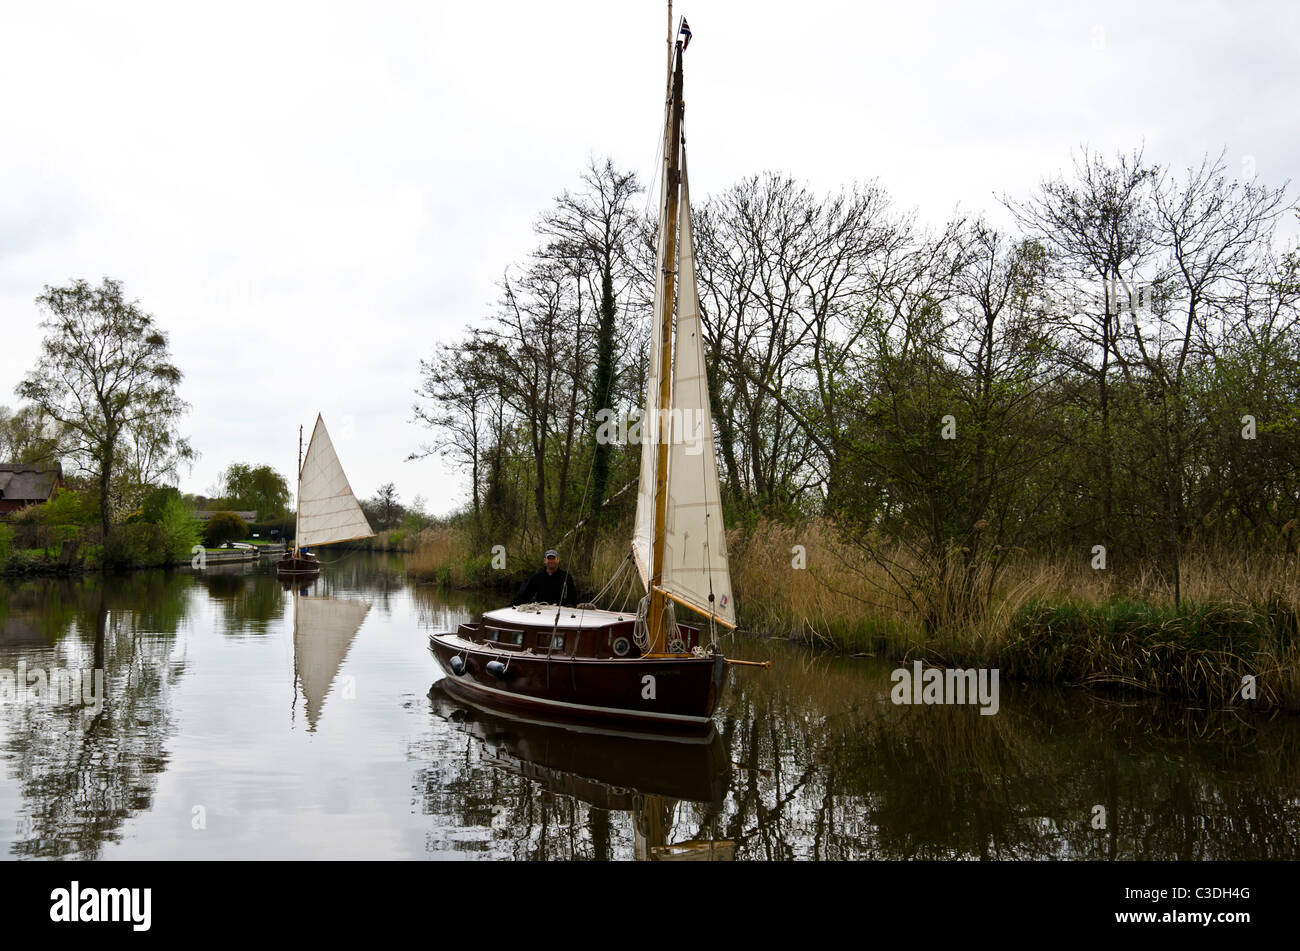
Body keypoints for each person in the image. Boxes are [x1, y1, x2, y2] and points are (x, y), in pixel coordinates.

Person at [510, 549, 579, 607]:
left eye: (553, 558)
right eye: (549, 559)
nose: (551, 561)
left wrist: (573, 605)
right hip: (541, 611)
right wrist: (509, 607)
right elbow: (525, 595)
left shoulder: (566, 577)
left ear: (558, 560)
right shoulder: (537, 577)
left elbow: (573, 597)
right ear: (545, 561)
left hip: (560, 611)